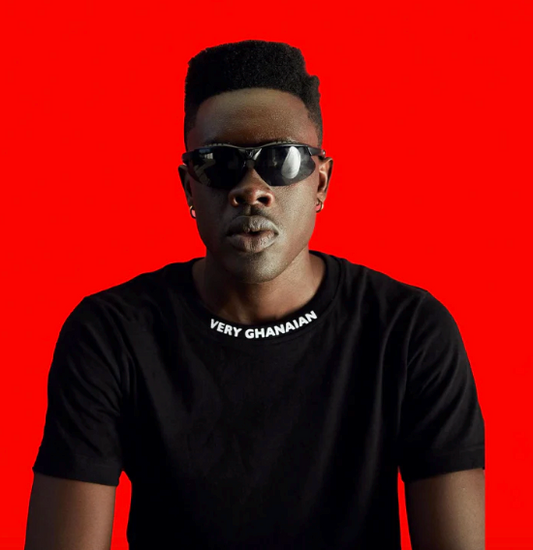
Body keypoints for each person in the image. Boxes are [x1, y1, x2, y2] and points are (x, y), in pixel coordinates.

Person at [25, 40, 485, 550]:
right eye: (219, 163)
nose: (251, 188)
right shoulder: (112, 335)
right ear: (189, 187)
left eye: (282, 159)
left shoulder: (408, 331)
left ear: (321, 183)